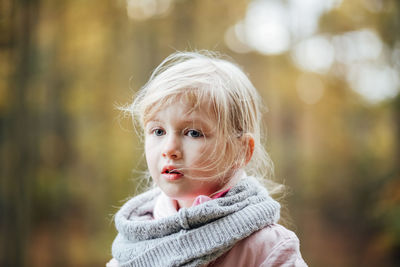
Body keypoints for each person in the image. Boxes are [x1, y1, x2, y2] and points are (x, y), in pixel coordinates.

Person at [107, 51, 307, 267]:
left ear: (240, 152)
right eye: (158, 131)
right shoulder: (135, 238)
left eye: (193, 133)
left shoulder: (266, 248)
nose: (169, 149)